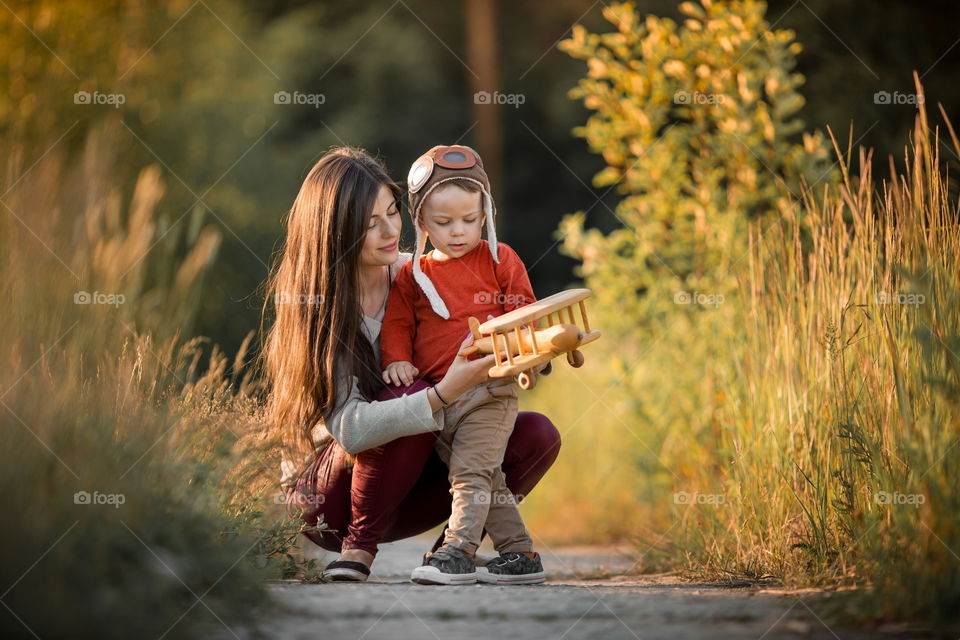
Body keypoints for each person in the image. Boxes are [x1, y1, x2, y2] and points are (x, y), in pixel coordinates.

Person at [261, 147, 562, 583]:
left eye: (392, 212)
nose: (389, 231)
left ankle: (457, 546)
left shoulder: (420, 273)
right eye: (369, 225)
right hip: (329, 502)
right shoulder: (318, 309)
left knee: (536, 435)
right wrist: (445, 392)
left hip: (412, 482)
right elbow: (351, 429)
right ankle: (358, 551)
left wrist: (526, 354)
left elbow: (506, 311)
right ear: (335, 233)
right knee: (409, 393)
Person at [377, 144, 547, 585]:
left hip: (491, 389)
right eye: (443, 222)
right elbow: (397, 324)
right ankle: (520, 555)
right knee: (487, 479)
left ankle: (457, 551)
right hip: (440, 397)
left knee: (469, 474)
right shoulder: (413, 274)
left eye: (470, 221)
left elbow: (524, 308)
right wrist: (396, 359)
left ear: (485, 213)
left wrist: (532, 346)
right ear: (420, 222)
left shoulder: (498, 259)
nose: (458, 232)